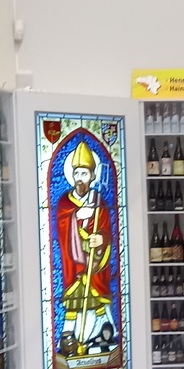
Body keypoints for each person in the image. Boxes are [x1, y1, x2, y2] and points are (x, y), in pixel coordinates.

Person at [54, 139, 116, 356]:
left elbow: (107, 230)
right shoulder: (64, 202)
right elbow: (61, 228)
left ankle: (101, 338)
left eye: (84, 173)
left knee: (97, 302)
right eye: (77, 173)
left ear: (92, 175)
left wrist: (100, 239)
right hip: (74, 263)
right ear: (72, 175)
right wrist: (76, 216)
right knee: (74, 303)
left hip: (94, 262)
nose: (80, 178)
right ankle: (70, 342)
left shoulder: (99, 200)